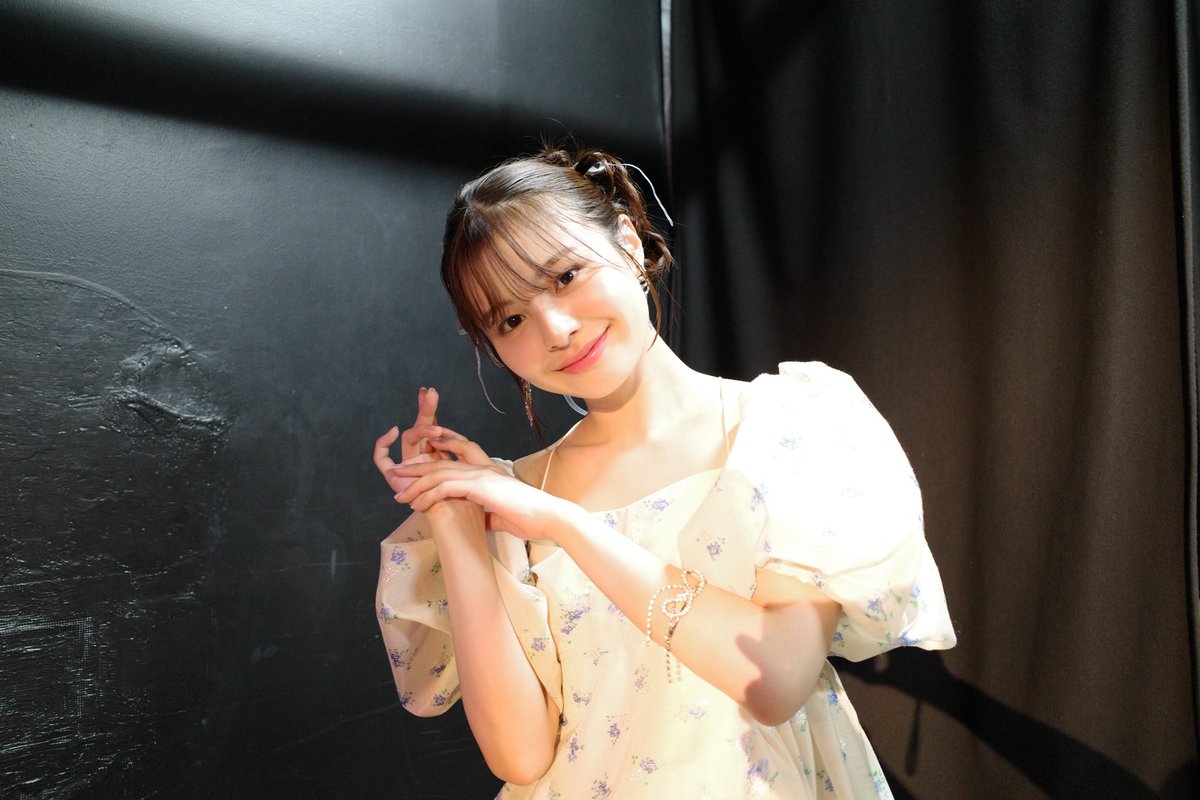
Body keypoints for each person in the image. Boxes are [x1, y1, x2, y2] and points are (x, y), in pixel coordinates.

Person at [372, 143, 956, 799]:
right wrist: (455, 525)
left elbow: (775, 678)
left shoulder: (789, 427)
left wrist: (567, 525)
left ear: (628, 241)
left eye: (565, 276)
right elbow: (521, 756)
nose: (556, 328)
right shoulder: (515, 496)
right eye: (511, 319)